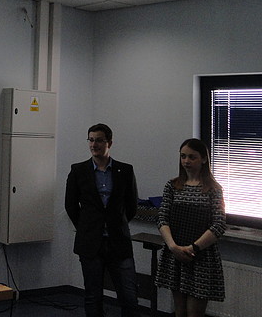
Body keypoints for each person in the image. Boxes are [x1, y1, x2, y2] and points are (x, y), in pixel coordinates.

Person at [65, 123, 139, 317]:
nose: (94, 144)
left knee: (129, 297)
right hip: (90, 243)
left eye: (99, 140)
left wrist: (116, 224)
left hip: (118, 242)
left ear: (109, 143)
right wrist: (87, 227)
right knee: (93, 296)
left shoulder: (125, 170)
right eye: (91, 140)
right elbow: (71, 205)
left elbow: (131, 206)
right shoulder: (78, 170)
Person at [155, 138, 226, 317]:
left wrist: (193, 248)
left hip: (201, 256)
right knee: (179, 311)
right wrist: (173, 247)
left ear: (204, 159)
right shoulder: (172, 186)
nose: (186, 161)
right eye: (183, 156)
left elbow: (218, 224)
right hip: (175, 253)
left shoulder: (213, 189)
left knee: (194, 312)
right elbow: (162, 219)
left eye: (192, 157)